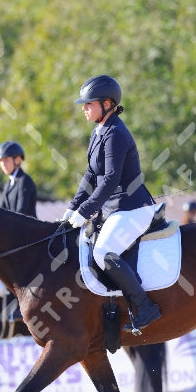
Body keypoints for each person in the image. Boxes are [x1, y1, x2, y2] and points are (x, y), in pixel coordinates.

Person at [62, 74, 162, 334]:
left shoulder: (116, 133)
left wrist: (85, 211)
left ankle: (145, 306)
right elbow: (90, 175)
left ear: (107, 103)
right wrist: (74, 206)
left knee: (102, 252)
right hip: (114, 209)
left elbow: (109, 180)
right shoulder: (99, 131)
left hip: (133, 208)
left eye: (88, 103)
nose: (83, 108)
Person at [0, 140, 37, 217]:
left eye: (6, 160)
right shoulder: (8, 184)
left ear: (17, 160)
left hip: (28, 227)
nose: (3, 164)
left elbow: (21, 213)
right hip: (13, 226)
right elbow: (2, 209)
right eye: (1, 161)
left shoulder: (25, 181)